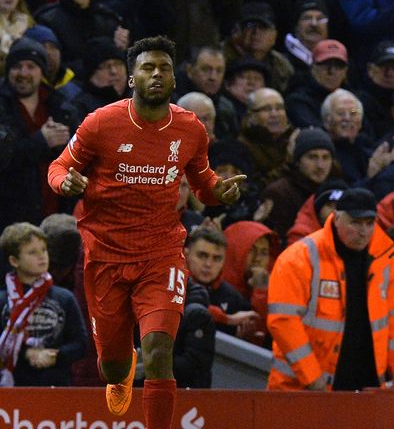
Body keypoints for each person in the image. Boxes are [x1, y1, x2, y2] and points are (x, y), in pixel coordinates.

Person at [46, 36, 245, 428]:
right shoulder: (102, 122)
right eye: (148, 68)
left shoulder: (190, 129)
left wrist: (219, 192)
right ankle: (120, 369)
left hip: (161, 253)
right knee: (114, 368)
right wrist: (63, 184)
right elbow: (58, 166)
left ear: (174, 78)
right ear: (132, 79)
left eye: (164, 68)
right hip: (105, 254)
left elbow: (204, 185)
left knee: (158, 349)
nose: (157, 74)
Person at [267, 188, 394, 391]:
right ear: (336, 219)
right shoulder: (300, 257)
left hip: (366, 382)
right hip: (301, 387)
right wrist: (311, 376)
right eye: (355, 222)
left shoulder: (385, 257)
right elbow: (283, 322)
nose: (363, 231)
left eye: (369, 224)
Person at [0, 37, 80, 232]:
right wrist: (41, 142)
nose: (23, 73)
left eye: (31, 66)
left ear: (42, 71)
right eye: (17, 66)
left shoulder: (61, 107)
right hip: (10, 219)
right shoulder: (2, 107)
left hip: (56, 216)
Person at [0, 222, 87, 387]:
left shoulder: (64, 298)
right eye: (32, 252)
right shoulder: (3, 301)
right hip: (12, 389)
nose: (42, 256)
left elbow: (81, 344)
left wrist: (56, 356)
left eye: (44, 250)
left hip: (56, 386)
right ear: (14, 260)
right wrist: (26, 353)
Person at [184, 227, 259, 340]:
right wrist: (227, 319)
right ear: (186, 254)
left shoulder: (233, 298)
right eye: (202, 256)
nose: (208, 264)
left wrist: (241, 339)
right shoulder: (172, 284)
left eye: (217, 258)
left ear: (224, 261)